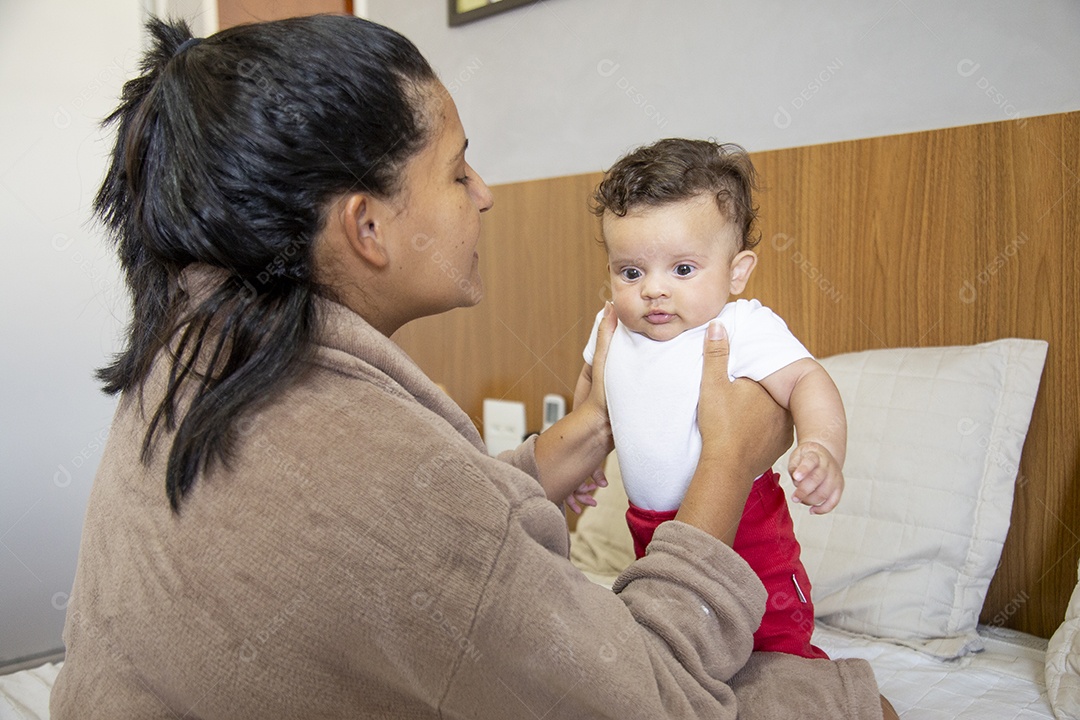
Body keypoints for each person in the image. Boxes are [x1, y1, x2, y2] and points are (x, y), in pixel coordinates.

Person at [51, 15, 890, 719]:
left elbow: (422, 541)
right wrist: (731, 460)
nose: (485, 193)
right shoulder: (378, 474)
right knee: (859, 703)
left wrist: (571, 441)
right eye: (457, 170)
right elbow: (649, 697)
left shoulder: (193, 354)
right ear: (367, 228)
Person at [575, 139, 847, 659]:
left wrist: (823, 446)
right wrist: (587, 462)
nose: (653, 290)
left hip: (750, 530)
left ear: (737, 271)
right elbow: (592, 391)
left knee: (774, 645)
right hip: (652, 529)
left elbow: (808, 381)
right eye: (631, 272)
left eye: (682, 269)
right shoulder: (612, 327)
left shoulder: (741, 325)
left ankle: (805, 687)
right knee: (679, 637)